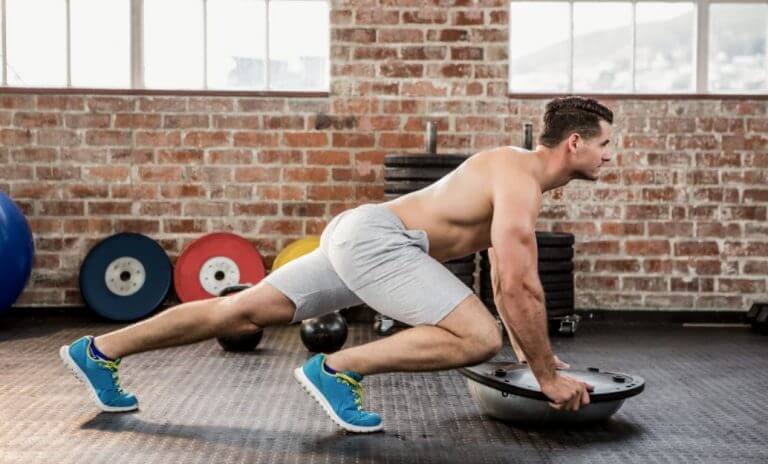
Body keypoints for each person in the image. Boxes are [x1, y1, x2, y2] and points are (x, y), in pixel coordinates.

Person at [60, 96, 613, 433]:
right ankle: (336, 370)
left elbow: (499, 271)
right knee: (475, 337)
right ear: (573, 142)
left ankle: (98, 351)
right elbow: (518, 283)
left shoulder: (510, 171)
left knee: (242, 312)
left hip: (363, 233)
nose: (608, 155)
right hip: (381, 241)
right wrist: (542, 375)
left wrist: (531, 353)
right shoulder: (519, 178)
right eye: (605, 145)